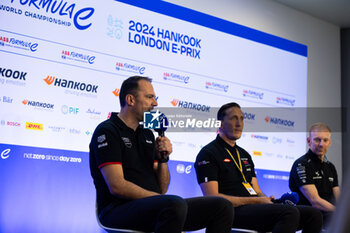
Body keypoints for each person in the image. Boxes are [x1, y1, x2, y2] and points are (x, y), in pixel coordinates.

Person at [89, 76, 234, 233]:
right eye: (149, 97)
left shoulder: (147, 134)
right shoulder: (108, 131)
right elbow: (117, 186)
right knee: (174, 204)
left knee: (222, 206)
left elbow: (162, 189)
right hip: (117, 209)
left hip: (155, 206)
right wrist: (158, 199)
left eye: (154, 98)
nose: (155, 103)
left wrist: (162, 159)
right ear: (130, 100)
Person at [194, 102, 323, 233]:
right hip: (231, 212)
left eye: (242, 119)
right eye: (233, 118)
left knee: (313, 214)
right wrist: (256, 200)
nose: (239, 124)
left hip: (253, 207)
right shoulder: (208, 153)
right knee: (289, 213)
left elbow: (256, 190)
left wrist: (267, 199)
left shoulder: (244, 154)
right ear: (220, 124)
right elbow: (213, 197)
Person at [289, 122, 340, 228]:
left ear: (329, 142)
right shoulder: (301, 164)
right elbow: (315, 201)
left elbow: (338, 197)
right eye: (317, 140)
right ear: (309, 141)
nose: (321, 144)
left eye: (325, 140)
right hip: (308, 214)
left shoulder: (330, 167)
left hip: (329, 213)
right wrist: (339, 212)